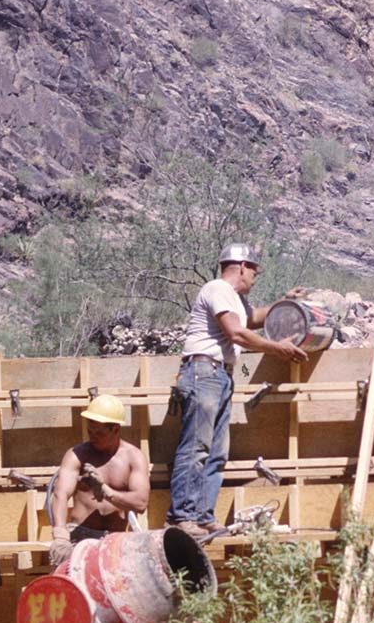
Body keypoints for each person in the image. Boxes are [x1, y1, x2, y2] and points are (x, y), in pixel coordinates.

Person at [165, 242, 308, 541]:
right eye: (254, 270)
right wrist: (277, 347)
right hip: (203, 373)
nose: (256, 276)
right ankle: (181, 517)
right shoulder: (217, 288)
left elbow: (253, 319)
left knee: (216, 452)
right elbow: (237, 333)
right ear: (242, 267)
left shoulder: (234, 299)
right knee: (196, 447)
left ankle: (203, 517)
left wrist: (284, 303)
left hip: (219, 376)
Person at [48, 393, 151, 567]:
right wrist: (60, 534)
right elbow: (60, 494)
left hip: (115, 539)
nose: (92, 436)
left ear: (116, 429)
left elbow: (141, 503)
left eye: (99, 432)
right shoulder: (77, 455)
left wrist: (108, 493)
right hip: (79, 536)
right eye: (90, 431)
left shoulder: (133, 457)